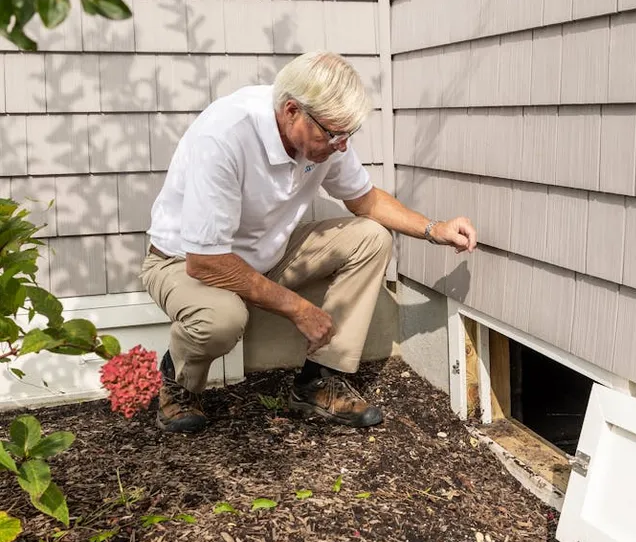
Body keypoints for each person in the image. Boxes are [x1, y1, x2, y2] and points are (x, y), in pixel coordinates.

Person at [140, 51, 477, 434]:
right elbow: (205, 261)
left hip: (267, 254)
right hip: (183, 262)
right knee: (222, 320)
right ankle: (178, 381)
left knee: (371, 237)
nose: (342, 146)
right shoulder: (225, 135)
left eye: (347, 135)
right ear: (290, 111)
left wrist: (435, 229)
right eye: (333, 135)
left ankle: (319, 382)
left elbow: (365, 201)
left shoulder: (324, 136)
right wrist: (300, 309)